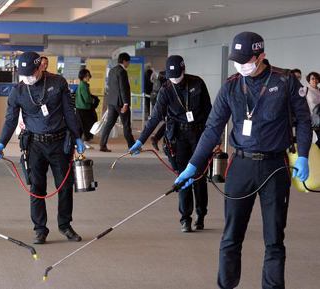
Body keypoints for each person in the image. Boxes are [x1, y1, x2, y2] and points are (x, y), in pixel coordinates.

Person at [175, 32, 311, 289]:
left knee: (274, 238)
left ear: (261, 55)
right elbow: (213, 128)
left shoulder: (285, 81)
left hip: (275, 166)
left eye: (246, 59)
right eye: (236, 60)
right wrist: (192, 166)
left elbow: (304, 120)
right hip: (241, 166)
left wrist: (302, 155)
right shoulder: (231, 86)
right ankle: (226, 285)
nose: (241, 64)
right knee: (231, 236)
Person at [0, 52, 85, 245]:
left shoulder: (58, 83)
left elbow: (69, 111)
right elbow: (10, 120)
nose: (28, 77)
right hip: (34, 145)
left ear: (40, 67)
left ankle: (65, 225)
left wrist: (77, 136)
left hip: (60, 143)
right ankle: (40, 229)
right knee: (36, 188)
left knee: (65, 187)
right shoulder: (17, 91)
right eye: (23, 74)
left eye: (31, 73)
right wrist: (1, 143)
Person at [129, 55, 213, 232]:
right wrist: (140, 140)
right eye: (171, 76)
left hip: (199, 135)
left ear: (184, 69)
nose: (175, 79)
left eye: (177, 75)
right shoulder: (166, 90)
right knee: (183, 177)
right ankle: (185, 219)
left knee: (199, 178)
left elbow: (210, 112)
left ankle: (201, 215)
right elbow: (155, 118)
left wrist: (214, 137)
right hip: (178, 136)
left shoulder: (198, 83)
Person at [99, 52, 135, 152]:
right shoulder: (122, 71)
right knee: (126, 125)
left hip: (111, 102)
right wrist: (126, 103)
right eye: (128, 62)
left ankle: (103, 144)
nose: (128, 64)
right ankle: (132, 146)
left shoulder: (111, 70)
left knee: (109, 124)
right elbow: (123, 88)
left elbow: (112, 87)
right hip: (120, 103)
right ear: (124, 61)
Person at [75, 69, 96, 149]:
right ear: (83, 76)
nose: (88, 77)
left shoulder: (81, 85)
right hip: (84, 109)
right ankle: (86, 142)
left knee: (80, 127)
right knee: (87, 126)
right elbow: (87, 98)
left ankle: (78, 142)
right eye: (87, 75)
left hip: (80, 109)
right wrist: (92, 100)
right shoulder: (84, 85)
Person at [304, 72, 320, 144]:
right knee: (310, 140)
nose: (315, 80)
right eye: (312, 78)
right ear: (309, 80)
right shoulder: (306, 89)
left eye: (316, 78)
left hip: (319, 119)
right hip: (309, 119)